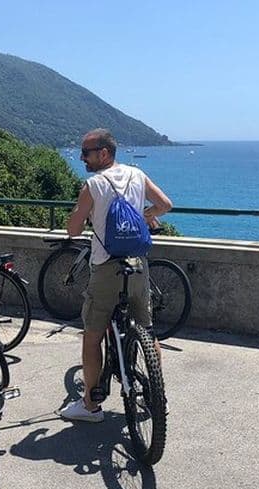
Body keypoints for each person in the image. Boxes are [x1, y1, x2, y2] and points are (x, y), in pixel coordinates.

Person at [60, 128, 173, 422]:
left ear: (104, 153)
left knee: (92, 336)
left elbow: (73, 230)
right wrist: (144, 217)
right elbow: (165, 205)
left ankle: (90, 406)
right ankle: (157, 398)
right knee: (146, 330)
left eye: (86, 152)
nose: (82, 157)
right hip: (137, 264)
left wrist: (81, 218)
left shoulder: (93, 184)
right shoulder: (137, 174)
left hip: (106, 267)